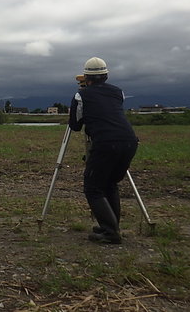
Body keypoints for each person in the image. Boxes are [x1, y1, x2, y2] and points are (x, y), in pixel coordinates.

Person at [69, 57, 138, 244]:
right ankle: (111, 226)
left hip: (105, 143)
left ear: (86, 78)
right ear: (106, 76)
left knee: (92, 188)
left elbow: (75, 125)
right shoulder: (118, 93)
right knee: (109, 184)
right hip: (130, 142)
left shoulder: (81, 96)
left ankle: (110, 232)